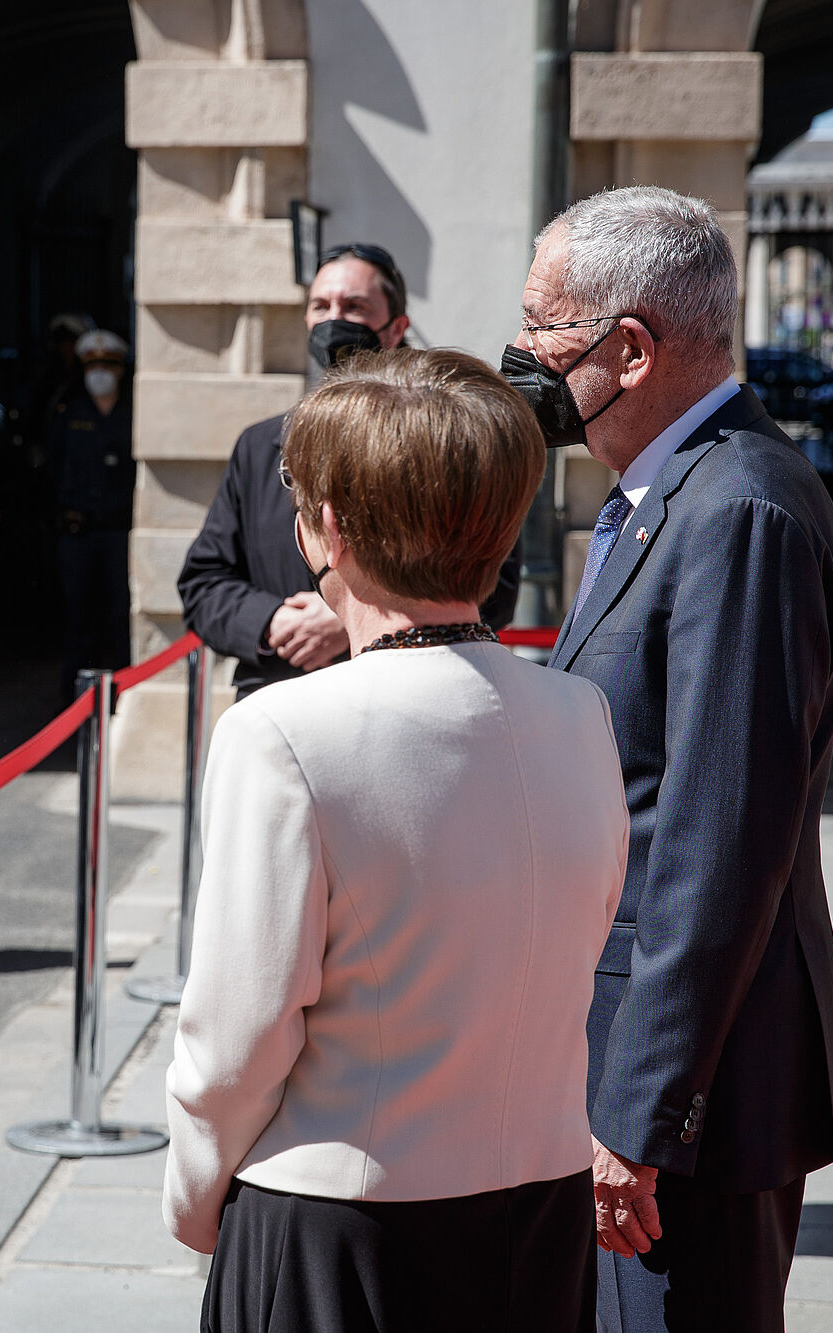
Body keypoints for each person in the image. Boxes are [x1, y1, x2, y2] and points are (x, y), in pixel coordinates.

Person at [164, 348, 628, 1332]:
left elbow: (233, 1038)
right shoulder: (579, 712)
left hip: (341, 1218)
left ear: (328, 530)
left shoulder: (279, 731)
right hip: (538, 1208)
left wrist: (196, 1201)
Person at [505, 185, 833, 1331]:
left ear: (630, 347)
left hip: (685, 1101)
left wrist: (639, 1114)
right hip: (638, 1063)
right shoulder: (668, 494)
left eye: (541, 325)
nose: (521, 353)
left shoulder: (734, 511)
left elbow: (717, 844)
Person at [179, 243, 525, 699]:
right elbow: (204, 582)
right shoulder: (260, 446)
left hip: (402, 698)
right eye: (320, 306)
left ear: (396, 327)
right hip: (279, 697)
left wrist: (350, 618)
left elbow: (494, 582)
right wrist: (272, 622)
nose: (333, 319)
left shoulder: (451, 437)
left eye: (354, 307)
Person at [45, 328, 136, 694]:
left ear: (120, 370)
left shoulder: (132, 414)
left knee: (121, 616)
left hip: (118, 533)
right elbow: (52, 468)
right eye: (92, 366)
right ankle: (72, 701)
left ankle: (126, 695)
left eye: (108, 366)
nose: (100, 373)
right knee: (78, 619)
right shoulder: (69, 413)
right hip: (78, 534)